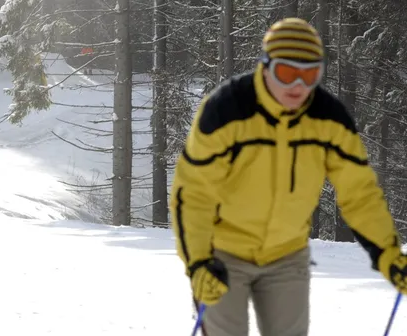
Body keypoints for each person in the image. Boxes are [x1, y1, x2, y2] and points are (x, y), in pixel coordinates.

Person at [169, 17, 407, 336]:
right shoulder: (226, 110)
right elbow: (193, 193)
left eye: (310, 75)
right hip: (222, 252)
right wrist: (197, 263)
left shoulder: (329, 119)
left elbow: (359, 194)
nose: (298, 86)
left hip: (287, 254)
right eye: (287, 72)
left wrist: (387, 254)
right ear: (265, 67)